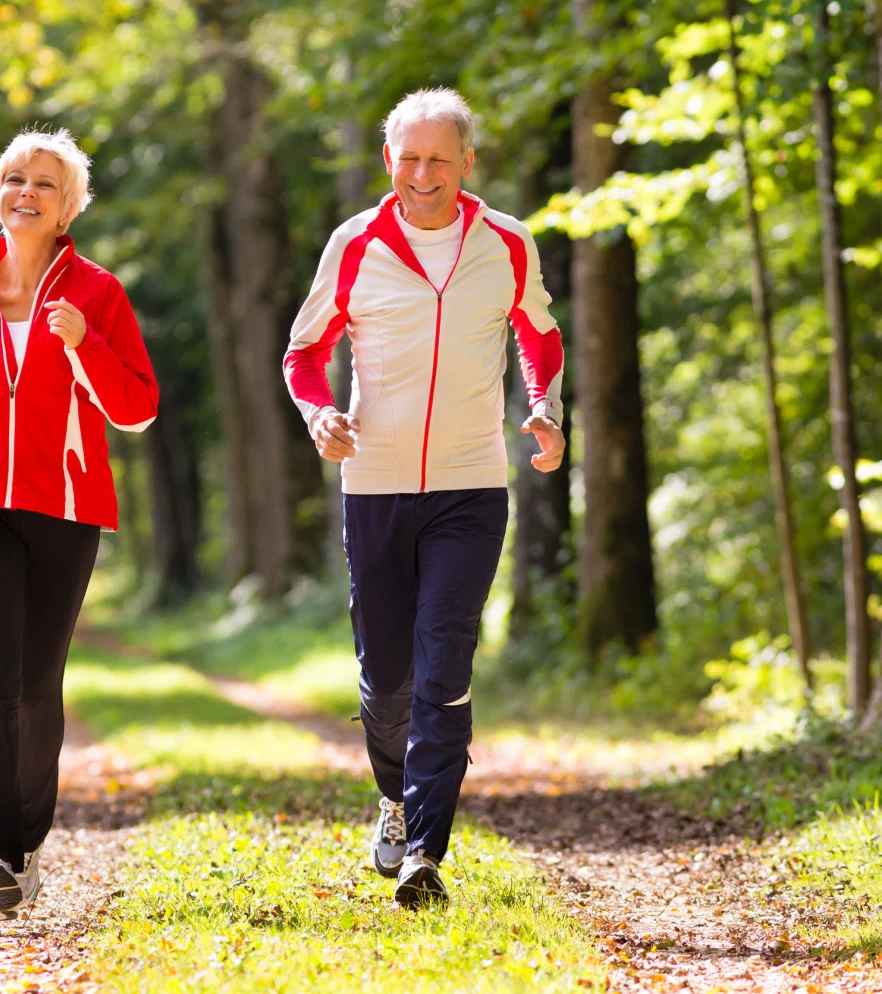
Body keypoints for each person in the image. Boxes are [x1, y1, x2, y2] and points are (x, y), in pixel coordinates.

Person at [283, 88, 565, 908]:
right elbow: (303, 354)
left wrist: (543, 406)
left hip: (471, 484)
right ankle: (395, 799)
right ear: (388, 162)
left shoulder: (507, 242)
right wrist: (318, 413)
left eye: (440, 158)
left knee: (445, 661)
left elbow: (538, 334)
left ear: (468, 162)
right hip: (374, 482)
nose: (423, 173)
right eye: (409, 158)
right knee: (387, 678)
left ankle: (425, 854)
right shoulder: (355, 243)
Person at [0, 128, 158, 921]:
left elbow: (138, 407)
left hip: (66, 503)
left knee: (34, 685)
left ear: (69, 209)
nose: (26, 192)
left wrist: (84, 343)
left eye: (45, 184)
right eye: (14, 179)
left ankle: (24, 843)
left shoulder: (97, 292)